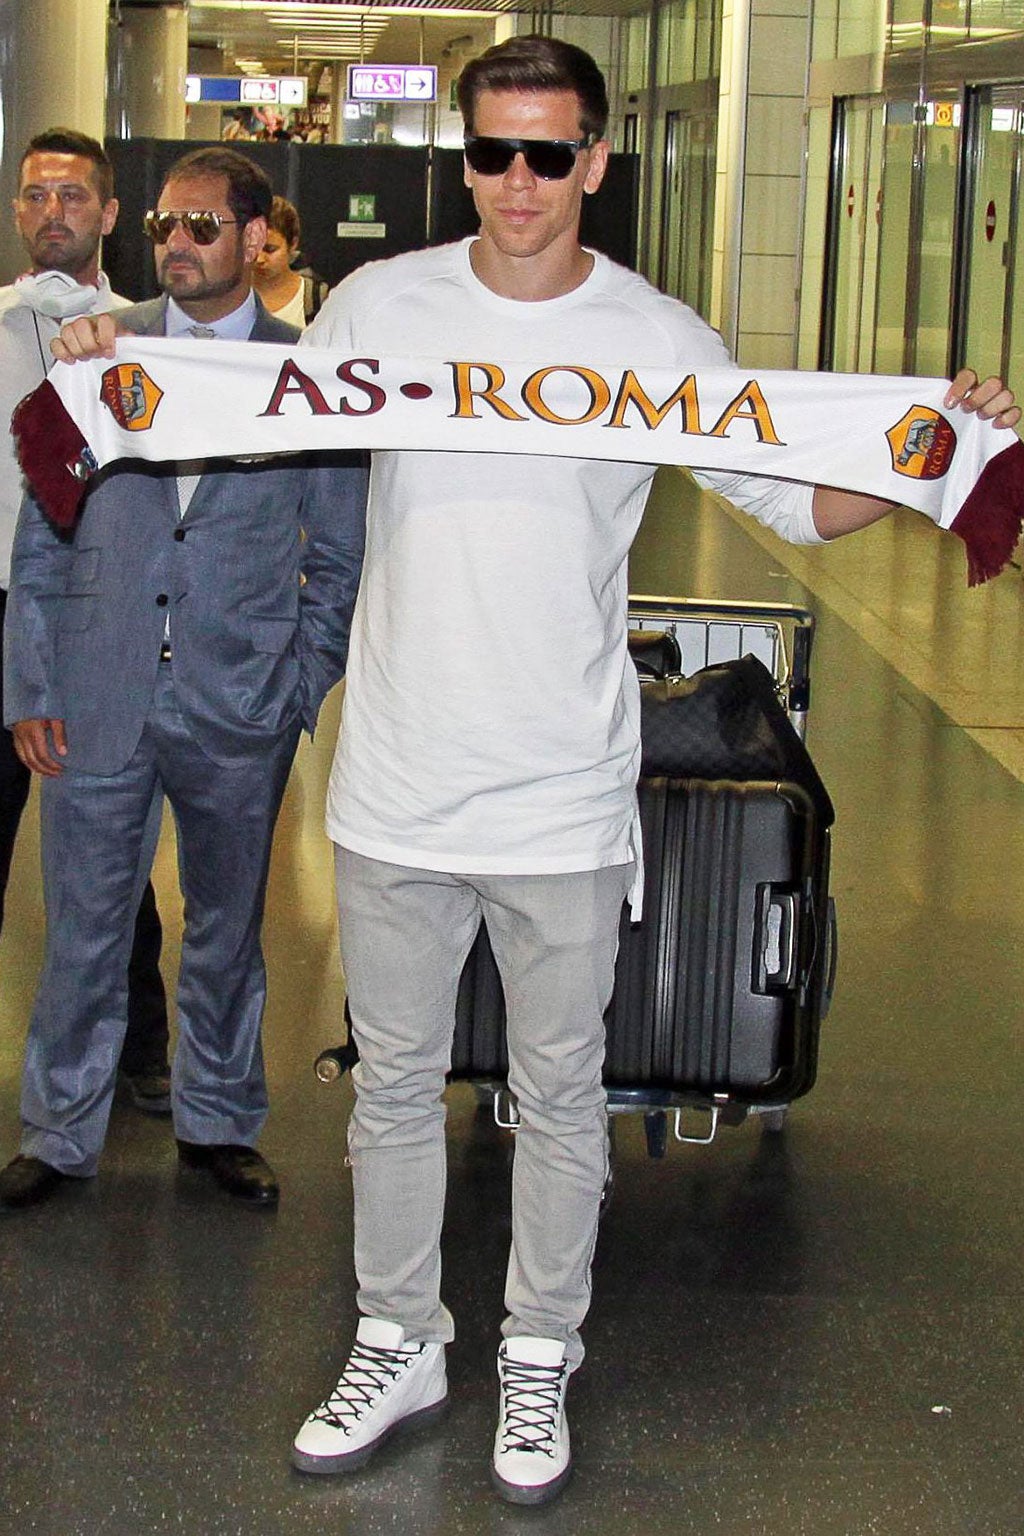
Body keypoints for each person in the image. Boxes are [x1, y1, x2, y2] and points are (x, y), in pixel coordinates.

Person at [284, 36, 1019, 1506]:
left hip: (560, 788)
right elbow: (242, 407)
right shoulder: (377, 302)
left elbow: (795, 500)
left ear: (598, 164)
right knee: (392, 1090)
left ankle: (541, 1350)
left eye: (548, 155)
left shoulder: (657, 338)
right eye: (491, 152)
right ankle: (397, 1335)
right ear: (466, 155)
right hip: (397, 786)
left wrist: (935, 446)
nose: (516, 185)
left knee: (562, 1095)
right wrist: (116, 366)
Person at [0, 146, 366, 1215]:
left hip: (238, 698)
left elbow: (337, 556)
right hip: (96, 691)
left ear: (257, 239)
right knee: (84, 928)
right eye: (165, 224)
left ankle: (217, 1122)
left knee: (224, 930)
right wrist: (31, 687)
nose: (178, 243)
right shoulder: (98, 360)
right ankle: (58, 1130)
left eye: (203, 225)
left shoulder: (307, 379)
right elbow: (42, 537)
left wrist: (300, 684)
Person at [0, 127, 172, 1116]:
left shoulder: (147, 338)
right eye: (34, 195)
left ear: (108, 216)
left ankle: (140, 1050)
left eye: (72, 195)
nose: (51, 211)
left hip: (88, 627)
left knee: (114, 860)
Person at [253, 195, 328, 330]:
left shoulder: (316, 298)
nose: (259, 259)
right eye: (253, 247)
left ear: (293, 244)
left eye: (270, 249)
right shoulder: (228, 293)